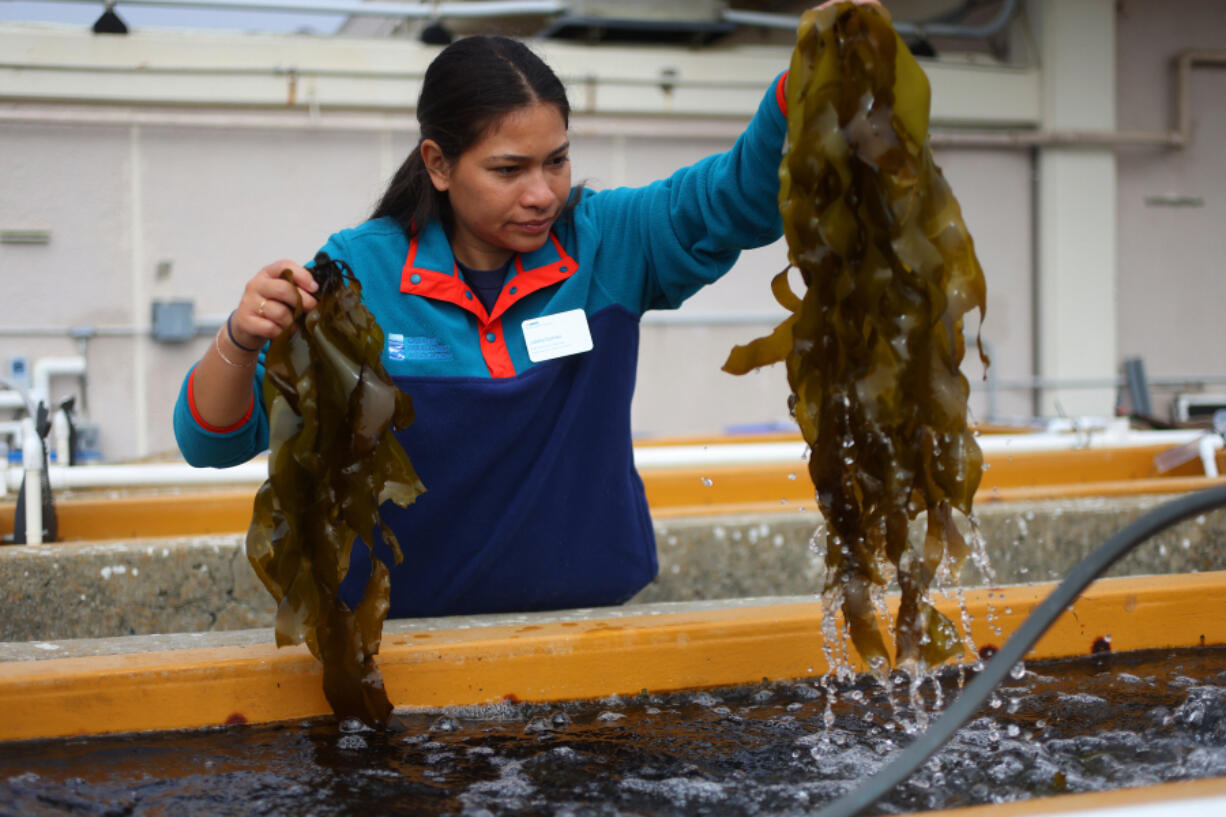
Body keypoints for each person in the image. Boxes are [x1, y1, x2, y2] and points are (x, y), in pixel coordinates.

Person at [174, 2, 878, 619]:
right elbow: (212, 440)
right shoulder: (358, 275)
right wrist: (240, 338)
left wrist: (802, 88)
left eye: (557, 161)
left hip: (588, 636)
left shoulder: (610, 242)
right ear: (439, 165)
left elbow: (734, 197)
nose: (542, 193)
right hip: (401, 656)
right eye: (509, 170)